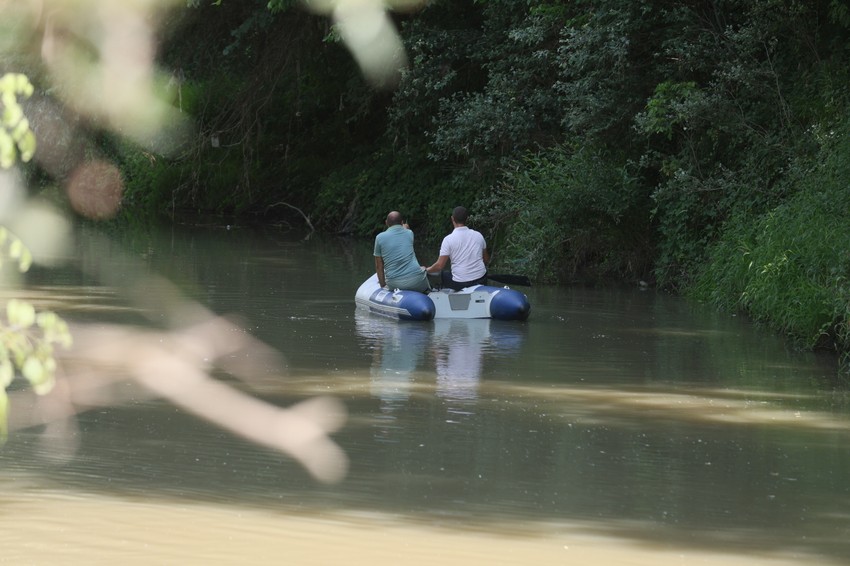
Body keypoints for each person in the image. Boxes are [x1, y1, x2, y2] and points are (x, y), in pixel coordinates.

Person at [425, 206, 489, 290]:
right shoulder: (478, 235)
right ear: (467, 219)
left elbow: (439, 266)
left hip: (460, 283)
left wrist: (426, 270)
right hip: (481, 279)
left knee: (444, 274)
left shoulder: (448, 239)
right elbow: (486, 259)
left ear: (452, 219)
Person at [373, 211, 430, 292]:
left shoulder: (379, 238)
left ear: (386, 223)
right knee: (423, 268)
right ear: (402, 222)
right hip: (417, 281)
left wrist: (383, 285)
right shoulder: (409, 233)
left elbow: (379, 266)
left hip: (394, 284)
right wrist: (405, 226)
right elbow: (405, 229)